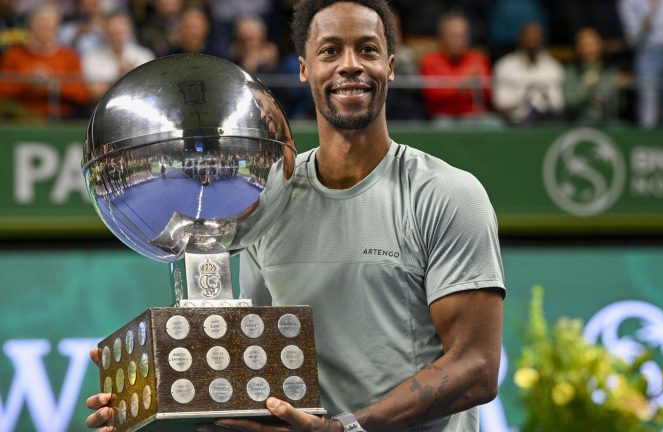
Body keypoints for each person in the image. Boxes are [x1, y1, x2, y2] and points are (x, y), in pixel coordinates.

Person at [85, 0, 505, 431]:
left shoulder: (446, 193)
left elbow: (476, 367)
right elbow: (255, 363)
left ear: (391, 66)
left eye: (367, 49)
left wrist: (346, 428)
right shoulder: (268, 195)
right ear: (304, 68)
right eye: (330, 51)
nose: (350, 65)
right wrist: (148, 382)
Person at [0, 3, 90, 120]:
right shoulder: (14, 54)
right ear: (30, 28)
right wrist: (26, 83)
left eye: (49, 27)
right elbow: (2, 90)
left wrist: (54, 84)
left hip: (62, 118)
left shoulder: (69, 56)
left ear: (56, 29)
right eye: (41, 26)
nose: (45, 31)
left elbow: (81, 94)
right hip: (19, 117)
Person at [419, 10, 498, 126]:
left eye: (462, 36)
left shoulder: (479, 59)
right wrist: (462, 84)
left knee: (496, 125)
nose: (458, 41)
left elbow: (490, 93)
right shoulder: (430, 61)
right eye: (453, 36)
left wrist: (479, 85)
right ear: (442, 37)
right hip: (443, 117)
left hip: (475, 116)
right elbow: (432, 94)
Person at [619, 0, 663, 129]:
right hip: (648, 52)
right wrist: (650, 15)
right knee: (648, 101)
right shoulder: (629, 2)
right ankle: (648, 140)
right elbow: (632, 39)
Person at [492, 22, 565, 124]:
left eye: (535, 39)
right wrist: (525, 94)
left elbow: (559, 104)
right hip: (513, 122)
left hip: (547, 122)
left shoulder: (553, 67)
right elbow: (500, 102)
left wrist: (543, 95)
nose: (532, 43)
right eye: (528, 39)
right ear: (520, 40)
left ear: (542, 40)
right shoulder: (505, 66)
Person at [82, 11, 155, 100]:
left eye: (121, 32)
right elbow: (93, 92)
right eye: (113, 33)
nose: (118, 37)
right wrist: (119, 78)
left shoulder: (144, 55)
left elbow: (151, 89)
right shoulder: (92, 58)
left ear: (130, 31)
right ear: (105, 32)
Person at [563, 27, 623, 125]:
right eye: (586, 45)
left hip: (608, 124)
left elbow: (617, 105)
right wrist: (587, 86)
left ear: (601, 45)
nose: (591, 49)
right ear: (578, 48)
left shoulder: (610, 71)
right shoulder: (572, 71)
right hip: (578, 123)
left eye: (593, 44)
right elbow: (570, 102)